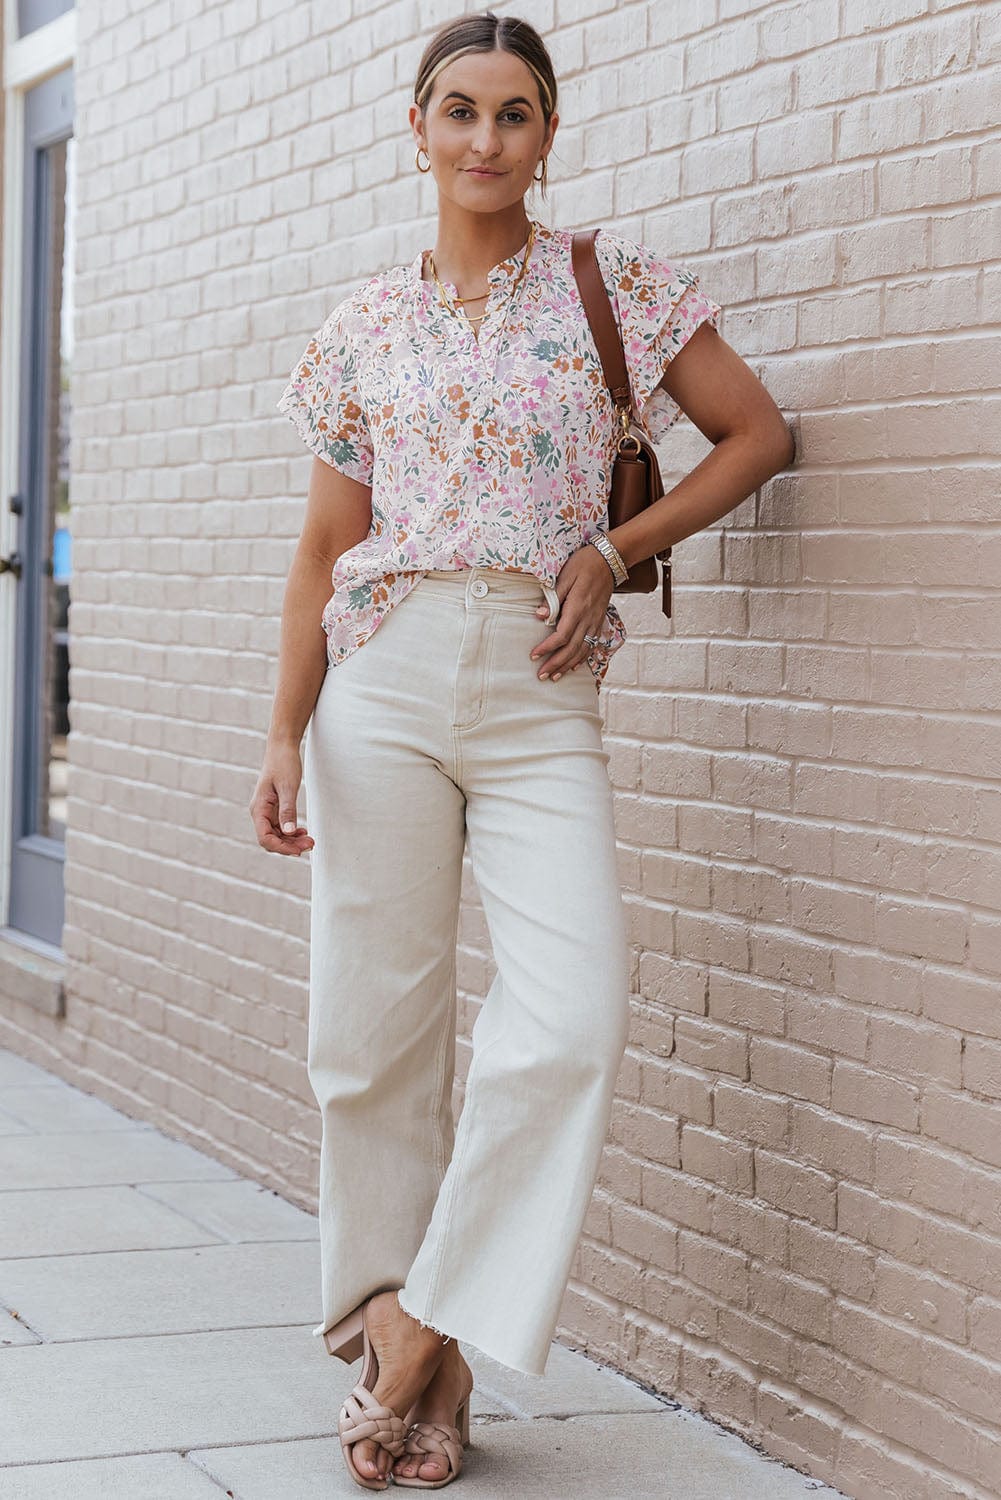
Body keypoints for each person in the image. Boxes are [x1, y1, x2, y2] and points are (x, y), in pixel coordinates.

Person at [253, 9, 795, 1491]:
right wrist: (285, 727)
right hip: (382, 679)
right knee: (372, 1031)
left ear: (547, 133)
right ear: (415, 129)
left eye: (513, 113)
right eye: (458, 111)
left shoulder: (612, 282)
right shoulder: (362, 324)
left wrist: (611, 553)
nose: (484, 139)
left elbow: (755, 435)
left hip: (540, 688)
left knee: (567, 1018)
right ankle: (408, 1373)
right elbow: (320, 549)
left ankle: (425, 1325)